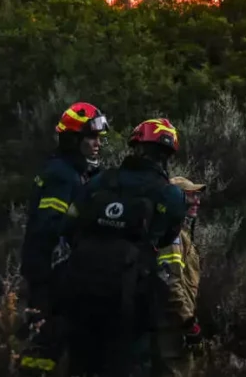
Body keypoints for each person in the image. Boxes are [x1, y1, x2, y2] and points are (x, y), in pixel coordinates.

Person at [60, 117, 189, 377]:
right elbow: (166, 237)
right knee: (129, 363)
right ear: (166, 156)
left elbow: (69, 224)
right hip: (130, 297)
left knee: (79, 361)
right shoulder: (169, 194)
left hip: (79, 287)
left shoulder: (100, 181)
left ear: (136, 148)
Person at [18, 101, 109, 376]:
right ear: (74, 139)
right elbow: (49, 227)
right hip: (50, 276)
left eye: (99, 138)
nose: (97, 144)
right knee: (43, 346)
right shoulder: (61, 175)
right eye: (91, 137)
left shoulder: (73, 171)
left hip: (60, 275)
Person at [152, 176, 206, 376]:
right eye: (191, 195)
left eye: (197, 195)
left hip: (177, 326)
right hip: (172, 331)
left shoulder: (180, 234)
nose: (196, 201)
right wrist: (189, 324)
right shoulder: (172, 236)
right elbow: (171, 283)